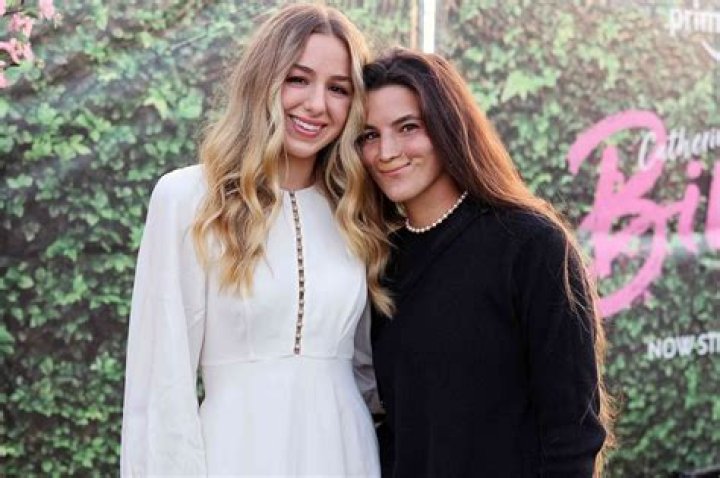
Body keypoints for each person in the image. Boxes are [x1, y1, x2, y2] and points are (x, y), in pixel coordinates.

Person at [121, 4, 391, 476]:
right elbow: (161, 384)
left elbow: (367, 375)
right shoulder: (188, 198)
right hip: (235, 453)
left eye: (338, 89)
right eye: (298, 79)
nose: (317, 104)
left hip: (347, 455)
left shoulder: (357, 210)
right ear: (262, 80)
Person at [358, 49, 614, 477]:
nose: (386, 152)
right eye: (369, 135)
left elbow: (573, 432)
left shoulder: (530, 244)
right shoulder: (381, 262)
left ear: (447, 126)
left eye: (408, 127)